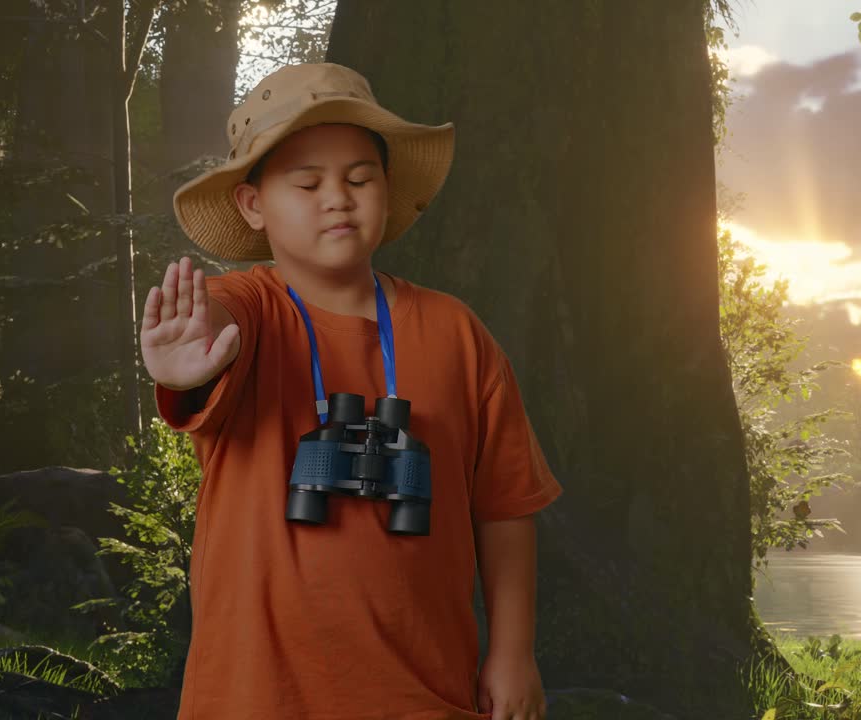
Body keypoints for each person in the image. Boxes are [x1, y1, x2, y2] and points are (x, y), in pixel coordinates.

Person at [139, 62, 562, 720]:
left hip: (423, 691)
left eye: (360, 179)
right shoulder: (247, 308)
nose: (337, 197)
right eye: (306, 182)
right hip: (256, 696)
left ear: (387, 191)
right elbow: (217, 326)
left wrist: (513, 652)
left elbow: (505, 506)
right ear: (252, 204)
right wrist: (188, 357)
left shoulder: (456, 333)